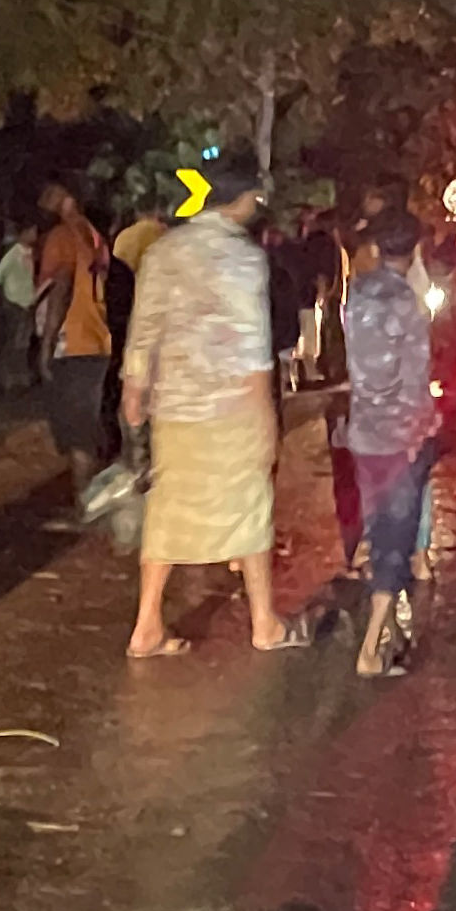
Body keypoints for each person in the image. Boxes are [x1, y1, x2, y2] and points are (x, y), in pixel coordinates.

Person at [119, 151, 307, 658]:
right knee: (248, 510)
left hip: (175, 405)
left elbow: (145, 326)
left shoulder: (164, 251)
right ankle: (264, 622)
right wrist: (266, 416)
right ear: (243, 198)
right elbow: (251, 345)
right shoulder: (243, 259)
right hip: (230, 407)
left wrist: (134, 390)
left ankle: (147, 624)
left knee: (167, 511)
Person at [344, 207, 438, 678]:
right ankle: (370, 647)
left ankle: (387, 632)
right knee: (394, 539)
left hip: (364, 432)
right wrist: (423, 429)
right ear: (414, 249)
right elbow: (417, 377)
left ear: (377, 248)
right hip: (401, 437)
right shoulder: (408, 304)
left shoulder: (355, 294)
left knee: (375, 522)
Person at [36, 180, 113, 497]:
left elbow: (61, 288)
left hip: (72, 343)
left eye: (49, 193)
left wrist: (46, 345)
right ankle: (90, 502)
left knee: (77, 433)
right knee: (86, 428)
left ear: (66, 197)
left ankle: (88, 506)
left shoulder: (61, 237)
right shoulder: (94, 236)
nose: (43, 201)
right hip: (96, 339)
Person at [0, 222, 40, 387]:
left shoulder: (31, 253)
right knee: (14, 342)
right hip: (15, 303)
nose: (35, 235)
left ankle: (19, 375)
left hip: (27, 303)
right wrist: (6, 299)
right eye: (32, 232)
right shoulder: (13, 253)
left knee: (23, 342)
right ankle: (10, 376)